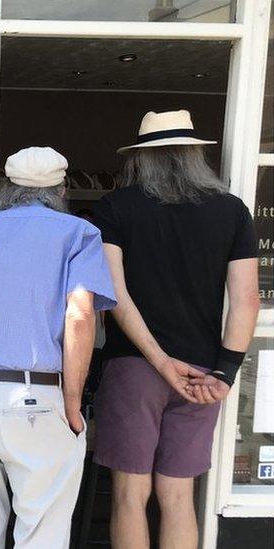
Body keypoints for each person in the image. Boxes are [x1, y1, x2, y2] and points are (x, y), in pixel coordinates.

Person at [0, 147, 117, 549]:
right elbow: (81, 315)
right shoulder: (78, 235)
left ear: (5, 188)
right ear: (62, 189)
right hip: (35, 395)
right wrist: (71, 404)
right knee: (42, 529)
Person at [92, 110, 260, 549]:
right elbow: (246, 300)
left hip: (135, 367)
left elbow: (113, 294)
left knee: (131, 494)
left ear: (142, 159)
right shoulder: (232, 211)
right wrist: (225, 372)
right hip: (203, 372)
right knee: (179, 495)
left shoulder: (116, 207)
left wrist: (159, 360)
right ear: (195, 156)